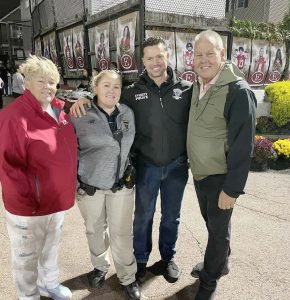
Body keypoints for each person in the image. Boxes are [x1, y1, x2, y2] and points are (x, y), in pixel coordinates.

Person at [70, 37, 192, 284]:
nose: (155, 62)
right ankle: (141, 260)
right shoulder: (132, 93)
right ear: (143, 61)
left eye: (160, 56)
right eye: (149, 58)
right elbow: (106, 102)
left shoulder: (188, 90)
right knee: (143, 215)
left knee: (171, 216)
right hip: (146, 166)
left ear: (168, 56)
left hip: (177, 167)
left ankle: (167, 258)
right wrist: (83, 100)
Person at [0, 55, 77, 300]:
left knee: (50, 248)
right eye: (41, 81)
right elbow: (10, 166)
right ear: (26, 83)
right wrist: (28, 203)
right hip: (29, 208)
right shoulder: (14, 116)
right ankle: (28, 295)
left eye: (52, 81)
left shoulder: (58, 110)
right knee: (26, 257)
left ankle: (49, 284)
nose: (48, 86)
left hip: (54, 201)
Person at [187, 30, 257, 299]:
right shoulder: (198, 84)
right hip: (201, 174)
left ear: (222, 55)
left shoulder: (237, 91)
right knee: (214, 226)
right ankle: (221, 262)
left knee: (217, 232)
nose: (203, 59)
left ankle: (210, 278)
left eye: (209, 53)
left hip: (221, 177)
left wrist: (232, 189)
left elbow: (243, 145)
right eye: (198, 54)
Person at [70, 70, 141, 300]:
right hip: (90, 187)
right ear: (95, 88)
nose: (112, 90)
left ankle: (128, 277)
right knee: (95, 230)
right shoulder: (79, 113)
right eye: (106, 85)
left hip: (121, 186)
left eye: (116, 86)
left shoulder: (128, 113)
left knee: (122, 233)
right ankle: (100, 267)